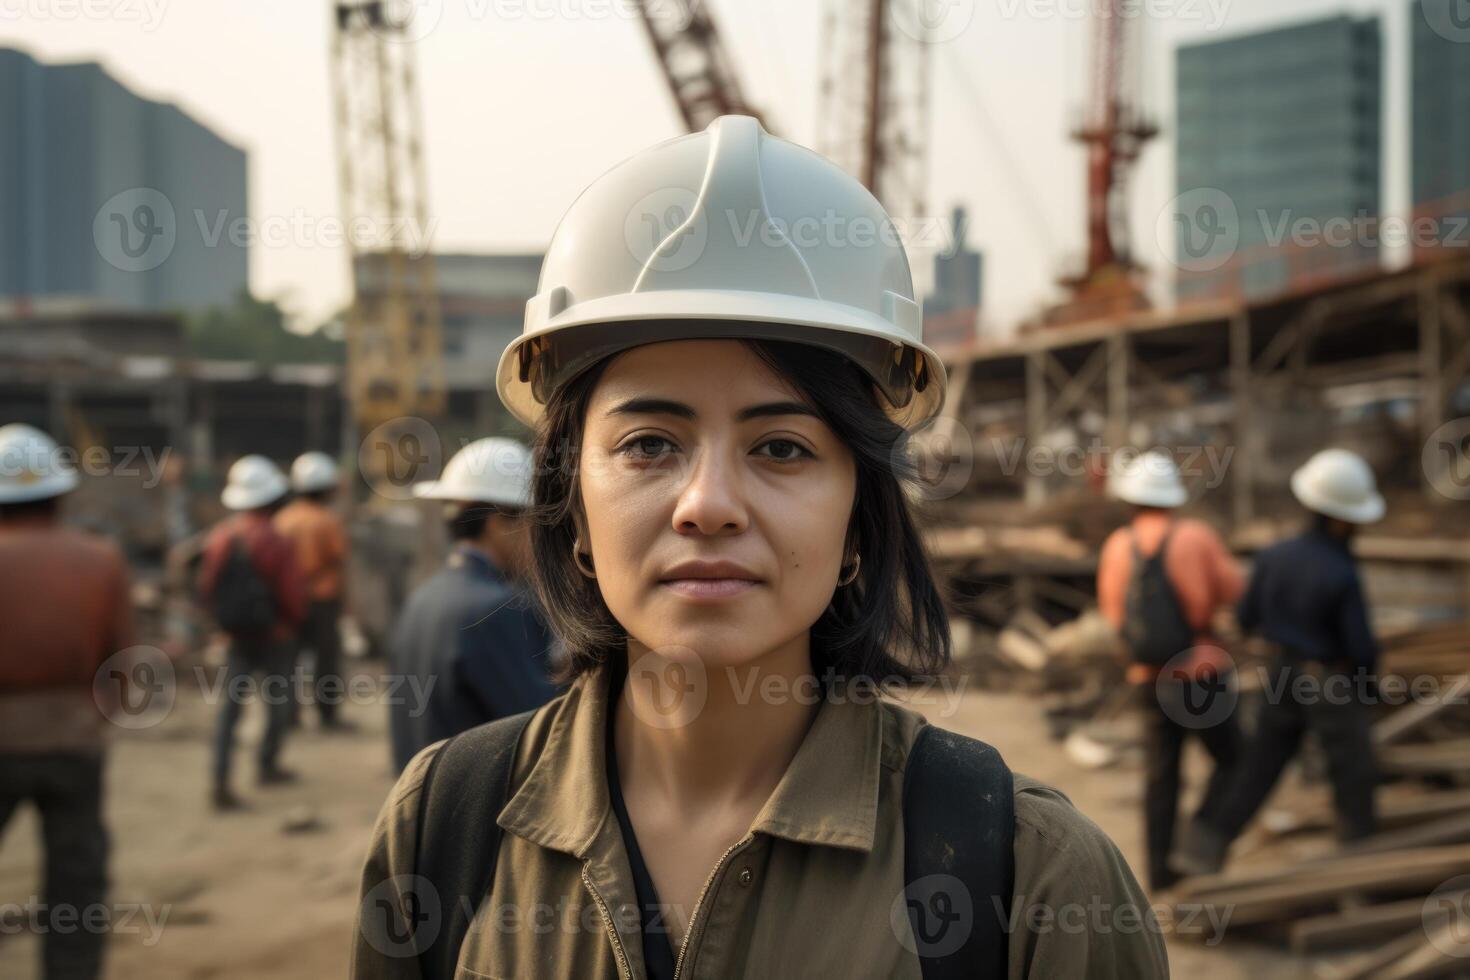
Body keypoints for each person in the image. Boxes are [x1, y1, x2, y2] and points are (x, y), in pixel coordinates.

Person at [352, 116, 1166, 978]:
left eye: (782, 448)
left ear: (859, 518)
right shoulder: (441, 828)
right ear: (574, 512)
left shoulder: (1030, 876)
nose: (708, 505)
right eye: (649, 445)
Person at [1173, 448, 1385, 876]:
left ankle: (1202, 851)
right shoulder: (1342, 571)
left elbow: (1247, 617)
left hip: (1282, 676)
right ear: (1342, 518)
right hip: (1330, 682)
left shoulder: (1273, 557)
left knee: (1257, 768)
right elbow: (1360, 646)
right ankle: (1362, 873)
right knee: (1354, 777)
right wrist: (1368, 687)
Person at [0, 424, 132, 980]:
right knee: (75, 888)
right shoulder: (101, 561)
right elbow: (119, 668)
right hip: (75, 745)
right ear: (59, 492)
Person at [1096, 450, 1245, 892]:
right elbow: (1235, 590)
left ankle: (1160, 877)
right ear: (1173, 498)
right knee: (1235, 760)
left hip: (1147, 677)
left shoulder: (1116, 546)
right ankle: (1200, 839)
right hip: (1200, 673)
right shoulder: (1195, 537)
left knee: (1162, 775)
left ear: (1130, 500)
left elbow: (1113, 616)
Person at [386, 437, 560, 772]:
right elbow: (544, 731)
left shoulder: (422, 599)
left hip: (426, 804)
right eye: (532, 524)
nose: (536, 539)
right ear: (497, 524)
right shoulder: (499, 608)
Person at [197, 455, 306, 810]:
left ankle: (219, 780)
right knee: (278, 704)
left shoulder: (220, 537)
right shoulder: (276, 540)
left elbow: (207, 586)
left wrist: (222, 623)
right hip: (274, 637)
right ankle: (266, 766)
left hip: (235, 639)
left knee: (230, 711)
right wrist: (291, 623)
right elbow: (291, 595)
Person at [275, 451, 352, 731]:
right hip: (322, 600)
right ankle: (327, 716)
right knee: (326, 660)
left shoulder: (283, 519)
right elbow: (338, 560)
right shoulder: (327, 521)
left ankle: (289, 716)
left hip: (289, 599)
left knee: (288, 660)